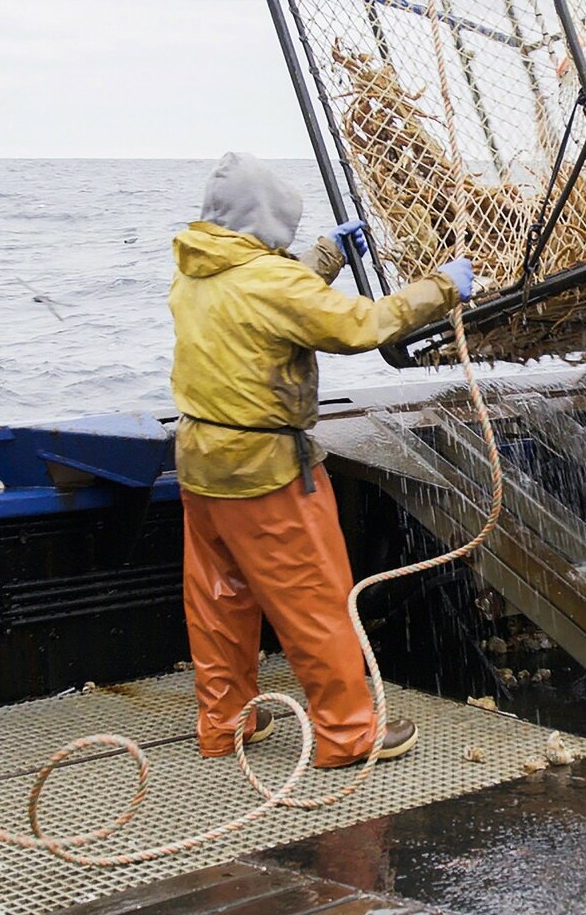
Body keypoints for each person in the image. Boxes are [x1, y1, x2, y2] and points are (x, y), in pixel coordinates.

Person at [169, 152, 473, 767]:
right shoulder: (273, 283)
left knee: (219, 601)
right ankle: (347, 735)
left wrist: (328, 256)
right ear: (266, 219)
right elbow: (362, 325)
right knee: (313, 603)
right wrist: (444, 286)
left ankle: (226, 725)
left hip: (201, 467)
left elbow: (266, 294)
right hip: (267, 472)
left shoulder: (196, 269)